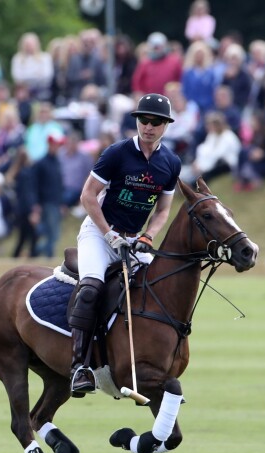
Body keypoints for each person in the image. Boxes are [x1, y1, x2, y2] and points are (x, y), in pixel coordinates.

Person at [68, 93, 181, 395]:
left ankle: (154, 362)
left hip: (134, 242)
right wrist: (107, 233)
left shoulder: (170, 163)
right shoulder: (116, 153)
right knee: (91, 288)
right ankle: (79, 366)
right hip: (99, 233)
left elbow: (163, 210)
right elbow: (88, 196)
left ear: (166, 126)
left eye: (156, 122)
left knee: (157, 292)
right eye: (144, 120)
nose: (149, 126)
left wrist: (148, 236)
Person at [183, 111, 240, 184]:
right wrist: (197, 163)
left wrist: (201, 167)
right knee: (185, 172)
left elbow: (217, 155)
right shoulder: (212, 135)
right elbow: (204, 150)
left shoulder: (228, 136)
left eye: (210, 125)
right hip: (207, 165)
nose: (207, 127)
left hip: (225, 165)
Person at [233, 110, 265, 191]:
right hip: (257, 162)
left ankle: (254, 181)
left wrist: (263, 154)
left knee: (251, 163)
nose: (251, 123)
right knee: (243, 152)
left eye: (253, 121)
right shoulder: (255, 134)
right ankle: (241, 178)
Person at [10, 32, 54, 102]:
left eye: (31, 44)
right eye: (27, 44)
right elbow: (17, 77)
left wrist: (27, 76)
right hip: (23, 94)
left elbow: (47, 76)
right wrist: (36, 74)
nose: (29, 46)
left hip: (42, 91)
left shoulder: (45, 57)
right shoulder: (17, 59)